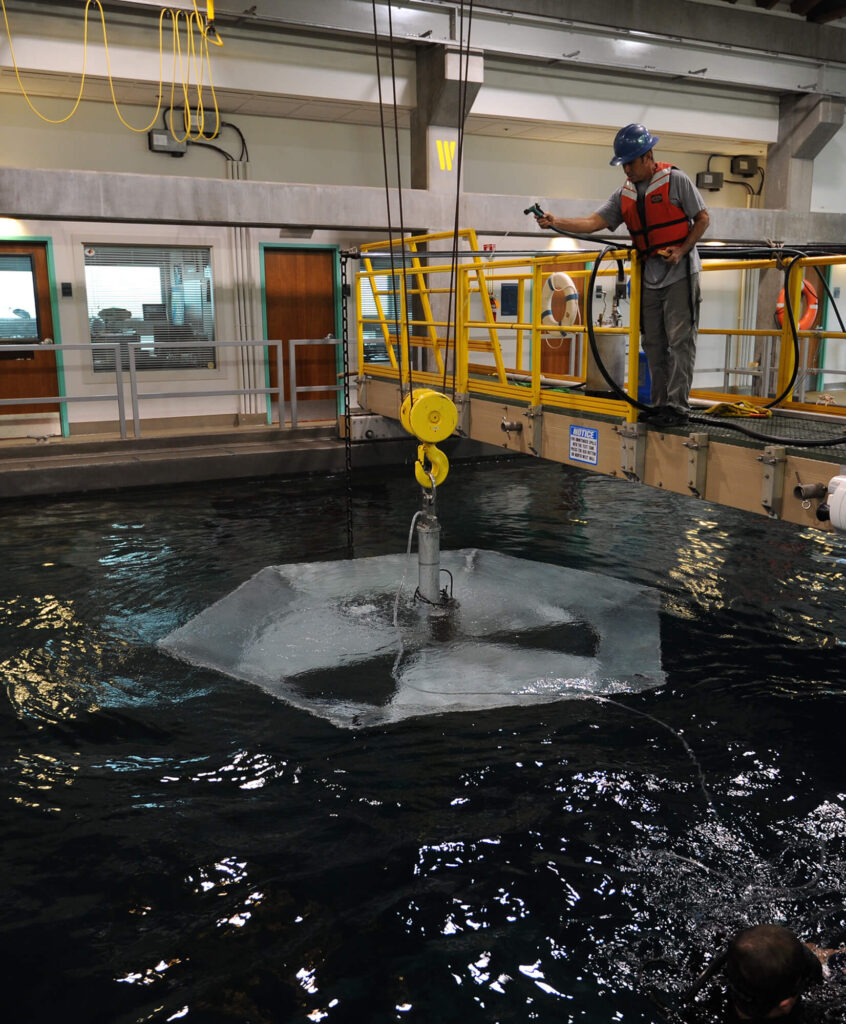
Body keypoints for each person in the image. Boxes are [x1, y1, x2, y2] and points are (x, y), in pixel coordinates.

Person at [535, 123, 710, 427]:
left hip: (680, 272)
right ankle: (659, 405)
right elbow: (594, 222)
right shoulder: (623, 194)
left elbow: (703, 218)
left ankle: (677, 407)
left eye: (630, 162)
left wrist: (682, 250)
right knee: (653, 342)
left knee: (681, 340)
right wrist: (555, 221)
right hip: (649, 277)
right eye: (623, 164)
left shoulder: (676, 181)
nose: (626, 169)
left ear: (648, 155)